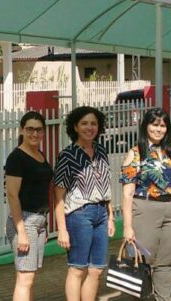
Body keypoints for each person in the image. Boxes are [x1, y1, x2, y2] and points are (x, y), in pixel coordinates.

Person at [121, 108, 171, 301]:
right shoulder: (135, 153)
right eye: (154, 124)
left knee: (165, 262)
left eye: (162, 125)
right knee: (142, 260)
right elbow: (127, 193)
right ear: (146, 126)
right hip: (145, 210)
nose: (158, 129)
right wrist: (127, 227)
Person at [54, 106, 114, 301]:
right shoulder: (67, 155)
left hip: (101, 214)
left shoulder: (101, 150)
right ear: (76, 127)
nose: (90, 127)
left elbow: (106, 187)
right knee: (77, 268)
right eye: (85, 123)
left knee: (96, 269)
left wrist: (111, 217)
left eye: (94, 123)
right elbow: (59, 197)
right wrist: (62, 229)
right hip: (79, 215)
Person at [5, 111, 53, 301]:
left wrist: (44, 223)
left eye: (39, 130)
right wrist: (22, 231)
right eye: (30, 129)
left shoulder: (38, 153)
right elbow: (12, 195)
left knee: (29, 277)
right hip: (24, 222)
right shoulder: (16, 158)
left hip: (38, 221)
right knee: (25, 278)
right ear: (22, 130)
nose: (34, 133)